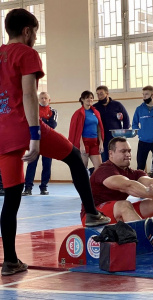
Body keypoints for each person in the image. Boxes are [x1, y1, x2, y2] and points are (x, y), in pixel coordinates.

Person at [0, 9, 110, 276]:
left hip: (2, 132)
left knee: (12, 197)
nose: (35, 38)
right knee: (73, 157)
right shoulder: (27, 54)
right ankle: (93, 212)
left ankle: (10, 261)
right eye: (35, 32)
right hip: (24, 125)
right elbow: (29, 95)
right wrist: (35, 136)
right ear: (27, 31)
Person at [82, 137, 153, 225]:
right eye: (123, 151)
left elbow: (151, 181)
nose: (128, 154)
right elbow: (128, 185)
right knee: (124, 205)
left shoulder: (133, 173)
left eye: (129, 151)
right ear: (111, 153)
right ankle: (145, 238)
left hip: (113, 212)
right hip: (93, 216)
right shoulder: (104, 170)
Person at [22, 92, 57, 196]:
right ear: (38, 99)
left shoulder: (53, 111)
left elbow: (52, 125)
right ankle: (28, 188)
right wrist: (44, 121)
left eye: (46, 98)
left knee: (47, 165)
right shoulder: (33, 110)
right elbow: (29, 124)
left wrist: (39, 122)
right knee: (31, 164)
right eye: (41, 98)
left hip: (48, 142)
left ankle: (44, 187)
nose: (44, 100)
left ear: (49, 100)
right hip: (34, 141)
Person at [132, 86, 153, 180]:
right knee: (140, 166)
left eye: (146, 94)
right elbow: (134, 123)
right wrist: (140, 133)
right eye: (143, 94)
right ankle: (140, 187)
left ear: (152, 95)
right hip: (143, 141)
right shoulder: (139, 109)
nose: (144, 96)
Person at [69, 91, 104, 172]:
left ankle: (92, 183)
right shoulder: (78, 113)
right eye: (87, 97)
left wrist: (101, 143)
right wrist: (81, 145)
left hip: (95, 143)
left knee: (99, 168)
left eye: (91, 98)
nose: (90, 99)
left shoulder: (96, 112)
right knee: (82, 168)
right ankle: (82, 184)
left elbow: (99, 128)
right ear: (82, 99)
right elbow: (77, 131)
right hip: (84, 142)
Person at [93, 85, 130, 162]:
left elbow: (126, 119)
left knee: (118, 158)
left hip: (116, 137)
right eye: (98, 94)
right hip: (102, 139)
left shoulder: (117, 105)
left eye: (101, 93)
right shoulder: (95, 107)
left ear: (107, 94)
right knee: (105, 160)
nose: (99, 96)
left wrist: (123, 134)